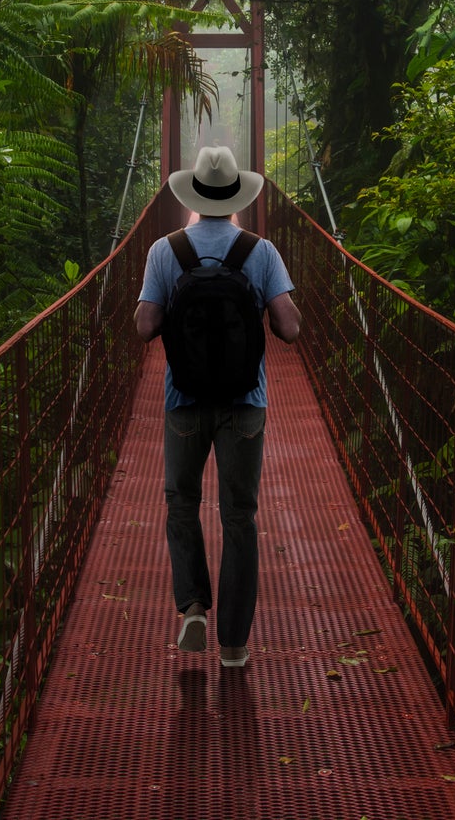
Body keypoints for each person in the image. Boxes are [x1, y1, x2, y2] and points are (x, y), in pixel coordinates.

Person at [134, 145, 301, 669]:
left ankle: (192, 609)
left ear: (192, 195)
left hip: (183, 403)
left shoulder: (166, 250)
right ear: (236, 198)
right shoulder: (261, 250)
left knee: (182, 505)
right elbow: (291, 329)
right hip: (244, 405)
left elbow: (143, 327)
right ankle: (234, 644)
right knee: (240, 517)